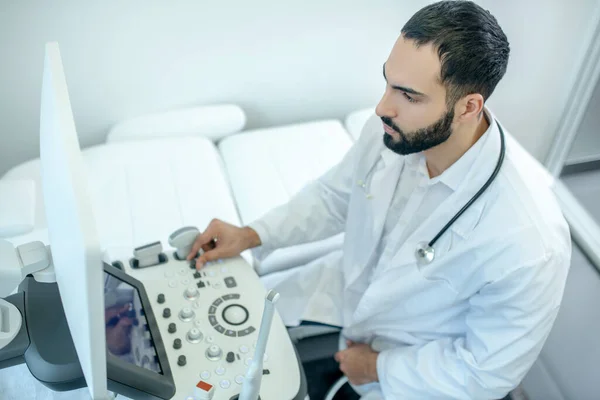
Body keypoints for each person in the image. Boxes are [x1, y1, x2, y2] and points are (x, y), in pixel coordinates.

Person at [187, 1, 572, 398]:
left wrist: (376, 366)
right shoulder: (394, 131)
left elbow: (484, 373)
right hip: (354, 305)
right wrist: (252, 234)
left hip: (419, 370)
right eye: (388, 82)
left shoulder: (530, 241)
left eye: (408, 95)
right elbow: (334, 196)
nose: (382, 107)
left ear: (468, 107)